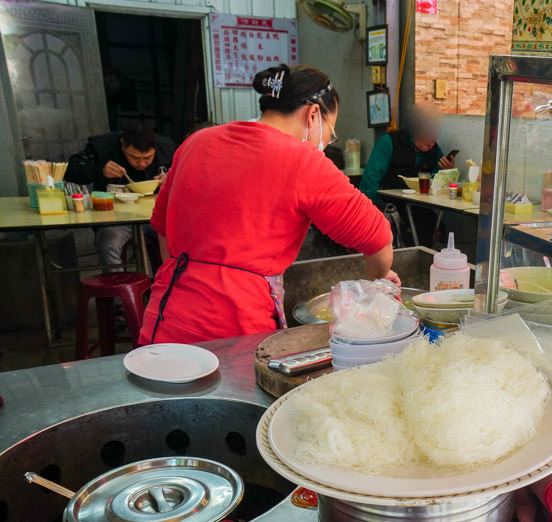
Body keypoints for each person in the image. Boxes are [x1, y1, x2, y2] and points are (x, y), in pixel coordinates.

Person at [137, 64, 398, 345]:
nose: (326, 141)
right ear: (313, 114)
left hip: (164, 320)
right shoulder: (302, 160)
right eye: (330, 132)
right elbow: (379, 239)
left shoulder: (195, 143)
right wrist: (380, 277)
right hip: (235, 331)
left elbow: (162, 228)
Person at [65, 122, 176, 266]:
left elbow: (190, 176)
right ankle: (117, 279)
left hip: (157, 216)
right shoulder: (102, 147)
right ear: (123, 145)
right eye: (134, 158)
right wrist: (99, 170)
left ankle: (169, 279)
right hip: (115, 220)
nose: (142, 164)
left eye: (148, 158)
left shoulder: (168, 148)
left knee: (178, 240)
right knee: (108, 245)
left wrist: (172, 177)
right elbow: (71, 171)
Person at [359, 102, 455, 202]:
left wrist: (447, 171)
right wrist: (375, 206)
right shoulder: (389, 142)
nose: (433, 141)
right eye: (429, 132)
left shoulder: (434, 149)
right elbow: (370, 181)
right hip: (390, 204)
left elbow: (438, 184)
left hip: (421, 205)